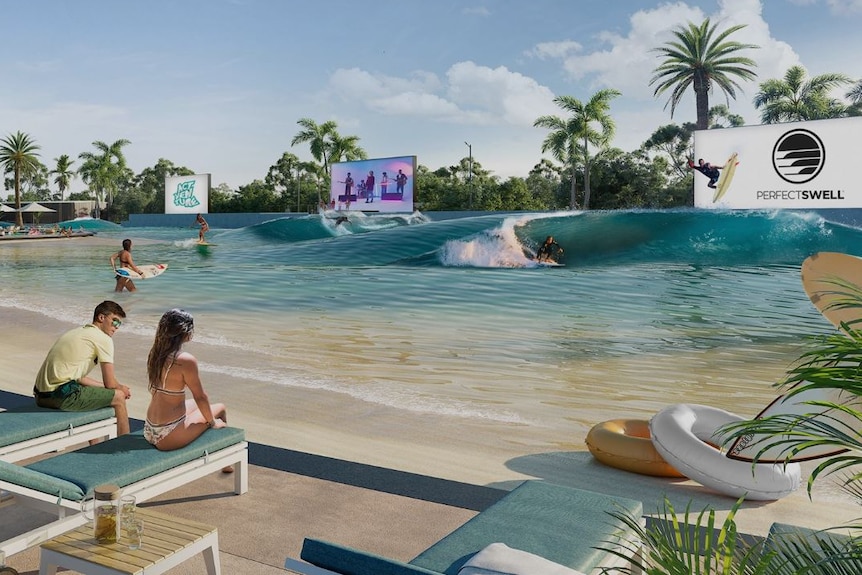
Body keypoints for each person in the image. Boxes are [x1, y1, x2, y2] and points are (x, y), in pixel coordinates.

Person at [143, 309, 231, 463]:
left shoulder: (156, 353)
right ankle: (226, 463)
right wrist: (211, 422)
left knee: (200, 407)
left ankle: (223, 458)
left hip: (150, 429)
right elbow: (200, 396)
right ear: (186, 333)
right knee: (220, 408)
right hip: (167, 435)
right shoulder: (185, 360)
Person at [33, 300, 131, 436]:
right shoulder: (104, 339)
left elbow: (79, 378)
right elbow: (110, 383)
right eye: (115, 321)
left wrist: (103, 388)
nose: (117, 327)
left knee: (94, 393)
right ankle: (124, 444)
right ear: (101, 317)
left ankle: (94, 443)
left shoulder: (77, 332)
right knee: (119, 397)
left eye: (119, 323)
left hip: (41, 396)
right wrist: (122, 388)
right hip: (60, 397)